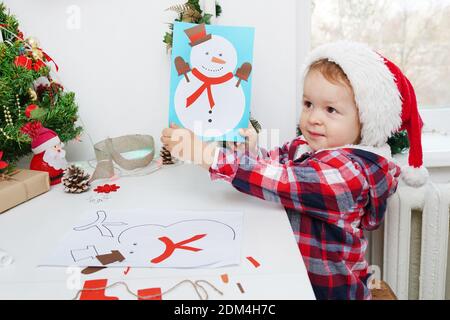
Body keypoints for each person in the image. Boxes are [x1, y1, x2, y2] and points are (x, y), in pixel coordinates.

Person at [161, 41, 428, 299]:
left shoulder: (350, 174)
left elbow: (284, 182)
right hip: (296, 278)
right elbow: (271, 165)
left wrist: (207, 155)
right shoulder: (307, 146)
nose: (313, 118)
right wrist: (251, 151)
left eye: (331, 110)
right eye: (308, 104)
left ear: (365, 120)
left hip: (329, 292)